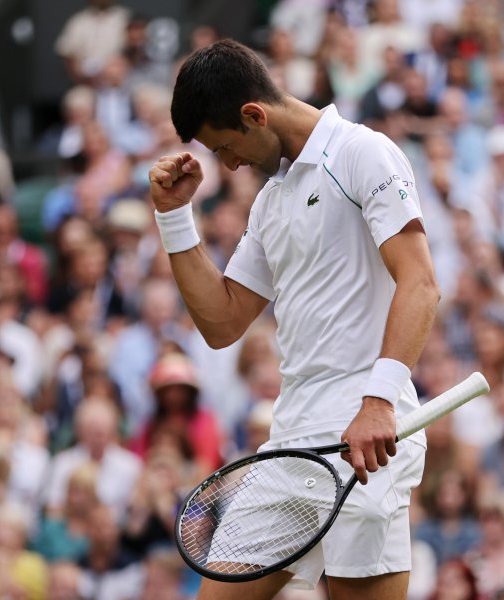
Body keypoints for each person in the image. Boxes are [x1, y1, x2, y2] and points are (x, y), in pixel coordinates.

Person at [149, 39, 440, 599]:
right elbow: (223, 323)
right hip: (290, 441)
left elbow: (421, 282)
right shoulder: (270, 200)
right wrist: (174, 219)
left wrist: (378, 400)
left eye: (226, 147)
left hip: (366, 435)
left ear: (254, 114)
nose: (227, 164)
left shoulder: (363, 153)